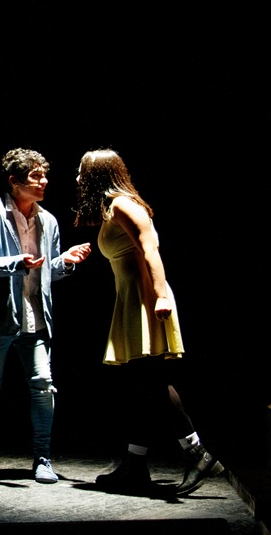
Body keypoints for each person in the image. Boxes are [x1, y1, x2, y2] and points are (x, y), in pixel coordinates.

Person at [73, 148, 223, 495]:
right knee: (140, 382)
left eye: (82, 172)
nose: (78, 178)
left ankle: (198, 452)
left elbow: (149, 248)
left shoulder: (124, 205)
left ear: (98, 175)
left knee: (151, 379)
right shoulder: (112, 208)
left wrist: (160, 296)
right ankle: (135, 464)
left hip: (145, 300)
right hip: (131, 299)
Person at [0, 148, 91, 484]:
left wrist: (66, 261)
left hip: (35, 319)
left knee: (43, 385)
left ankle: (43, 459)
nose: (44, 181)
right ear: (14, 181)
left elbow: (49, 272)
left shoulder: (48, 221)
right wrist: (16, 263)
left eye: (45, 175)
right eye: (36, 176)